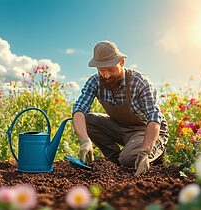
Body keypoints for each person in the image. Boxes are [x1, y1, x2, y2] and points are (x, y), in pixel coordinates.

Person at [72, 40, 169, 177]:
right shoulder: (94, 82)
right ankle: (114, 161)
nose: (106, 75)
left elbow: (154, 117)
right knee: (88, 120)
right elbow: (79, 110)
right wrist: (84, 140)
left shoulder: (140, 82)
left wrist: (146, 151)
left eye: (110, 69)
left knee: (129, 159)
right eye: (101, 70)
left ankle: (155, 153)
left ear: (122, 63)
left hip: (146, 129)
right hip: (120, 127)